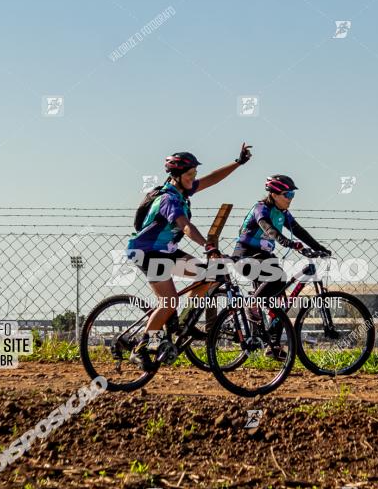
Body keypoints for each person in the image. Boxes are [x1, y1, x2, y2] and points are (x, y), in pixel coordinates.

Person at [127, 143, 252, 370]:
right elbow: (185, 226)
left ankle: (183, 322)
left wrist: (238, 162)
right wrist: (207, 245)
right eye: (189, 174)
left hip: (167, 251)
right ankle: (140, 348)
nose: (193, 178)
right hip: (147, 252)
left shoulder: (183, 190)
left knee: (211, 274)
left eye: (194, 174)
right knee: (169, 301)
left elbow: (212, 179)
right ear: (176, 176)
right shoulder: (169, 199)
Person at [232, 174, 330, 357]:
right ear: (274, 194)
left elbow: (299, 231)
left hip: (265, 257)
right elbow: (268, 228)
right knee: (279, 276)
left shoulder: (283, 213)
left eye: (292, 195)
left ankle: (272, 346)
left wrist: (319, 248)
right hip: (245, 256)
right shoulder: (261, 209)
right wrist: (287, 242)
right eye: (288, 194)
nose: (290, 199)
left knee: (280, 301)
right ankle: (251, 304)